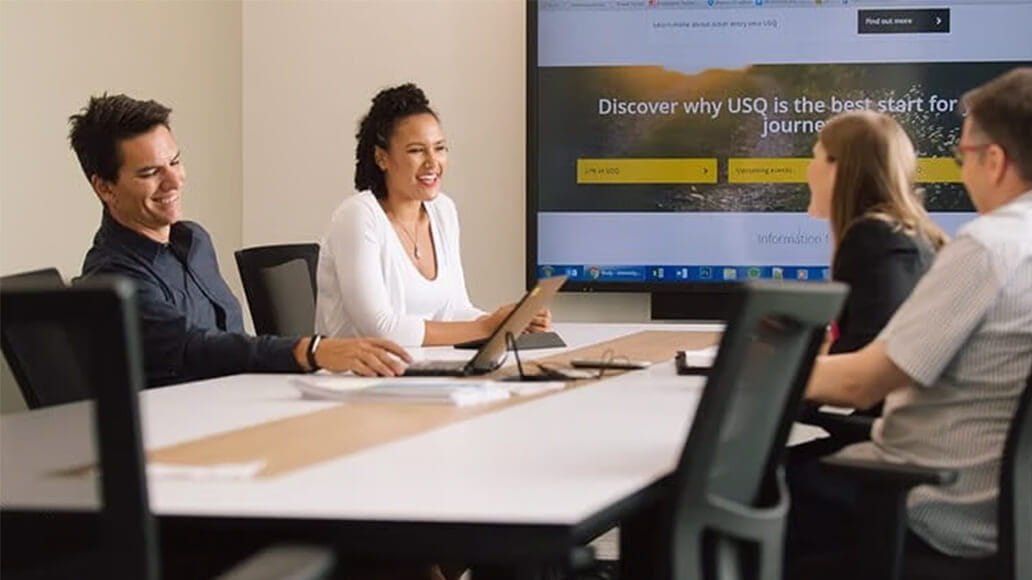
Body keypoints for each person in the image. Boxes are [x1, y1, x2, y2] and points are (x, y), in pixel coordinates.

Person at [787, 68, 1032, 574]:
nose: (961, 169)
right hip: (1004, 516)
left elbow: (861, 383)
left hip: (923, 509)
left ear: (994, 159)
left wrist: (745, 373)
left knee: (700, 494)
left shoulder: (988, 247)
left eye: (961, 155)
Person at [71, 94, 411, 388]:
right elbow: (193, 349)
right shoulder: (112, 277)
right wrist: (312, 350)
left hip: (238, 403)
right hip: (178, 436)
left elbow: (233, 340)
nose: (174, 180)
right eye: (149, 173)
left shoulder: (194, 240)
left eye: (175, 162)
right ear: (105, 187)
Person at [315, 83, 550, 346]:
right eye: (416, 150)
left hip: (422, 373)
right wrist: (488, 326)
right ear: (382, 158)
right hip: (355, 381)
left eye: (439, 148)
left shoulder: (442, 210)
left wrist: (509, 323)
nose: (432, 162)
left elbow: (455, 310)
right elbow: (381, 330)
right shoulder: (357, 216)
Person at [806, 110, 946, 355]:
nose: (808, 170)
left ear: (837, 168)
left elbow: (860, 364)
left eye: (814, 157)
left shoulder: (872, 238)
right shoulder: (909, 235)